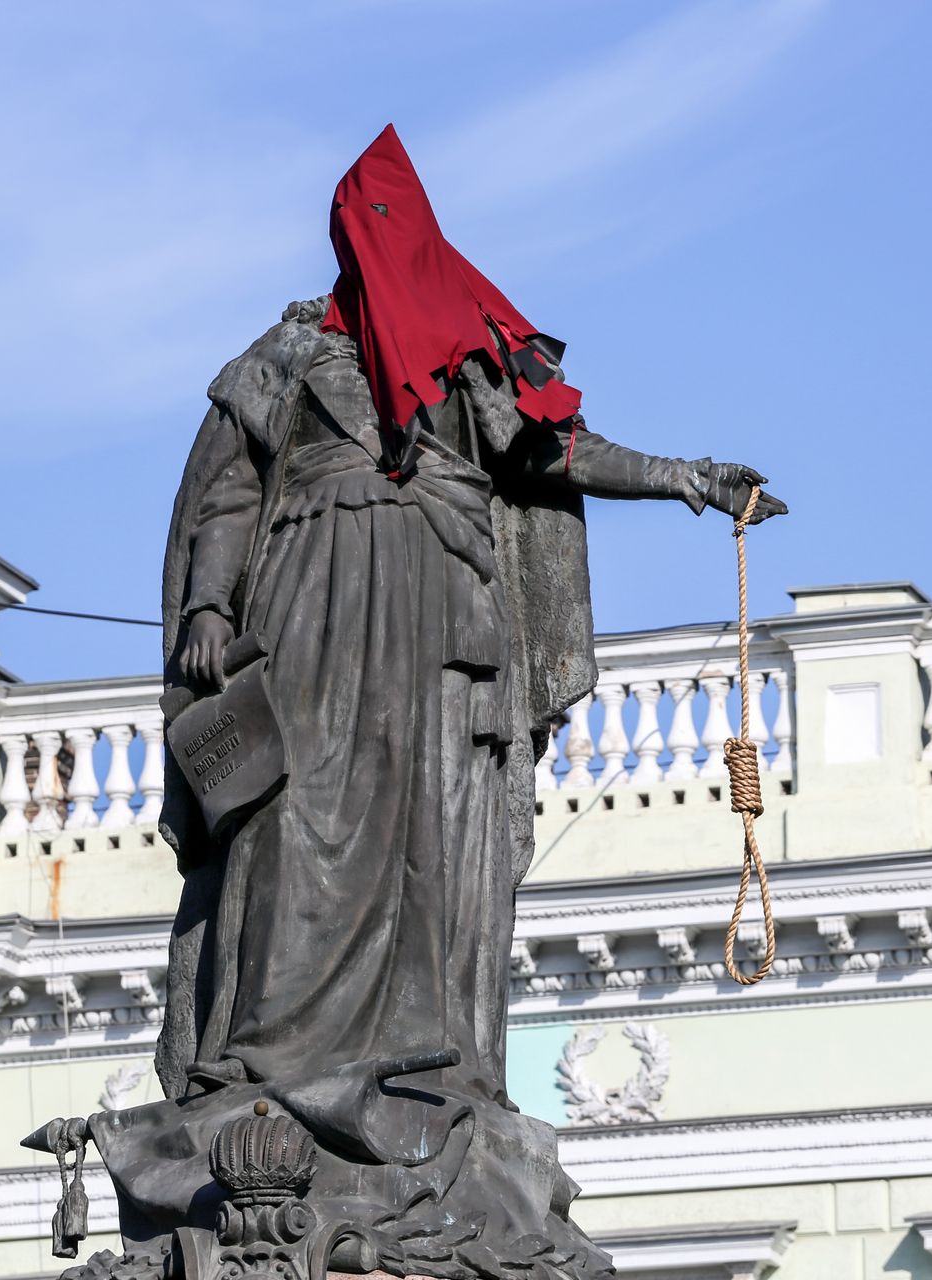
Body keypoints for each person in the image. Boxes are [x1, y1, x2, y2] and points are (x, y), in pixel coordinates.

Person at [154, 124, 785, 1109]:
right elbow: (230, 490)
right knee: (289, 815)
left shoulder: (465, 354)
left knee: (437, 820)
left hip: (440, 611)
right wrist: (203, 597)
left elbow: (554, 453)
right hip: (308, 606)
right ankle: (262, 1049)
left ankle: (426, 1045)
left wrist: (686, 478)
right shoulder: (286, 354)